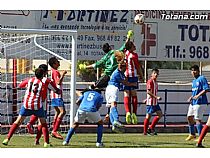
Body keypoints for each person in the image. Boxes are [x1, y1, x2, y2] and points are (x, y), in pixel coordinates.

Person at [2, 68, 51, 147]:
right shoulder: (43, 83)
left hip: (27, 105)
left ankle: (7, 139)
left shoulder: (29, 80)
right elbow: (44, 95)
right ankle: (46, 143)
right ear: (43, 75)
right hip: (37, 106)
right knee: (43, 123)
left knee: (17, 122)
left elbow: (20, 85)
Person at [26, 64, 60, 135]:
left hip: (31, 100)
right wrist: (58, 90)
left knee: (34, 116)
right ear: (46, 72)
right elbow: (55, 89)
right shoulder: (46, 80)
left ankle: (30, 123)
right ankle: (41, 140)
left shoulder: (32, 79)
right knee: (42, 122)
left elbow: (22, 84)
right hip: (42, 101)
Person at [105, 60, 137, 133]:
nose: (126, 69)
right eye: (125, 67)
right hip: (113, 88)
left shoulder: (120, 72)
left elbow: (124, 79)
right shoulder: (117, 73)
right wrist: (133, 84)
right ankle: (116, 120)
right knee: (114, 104)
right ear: (122, 67)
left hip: (108, 88)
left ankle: (113, 124)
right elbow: (125, 82)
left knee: (111, 107)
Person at [185, 65, 209, 141]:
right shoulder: (194, 81)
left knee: (198, 119)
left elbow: (206, 89)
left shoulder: (202, 78)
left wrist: (198, 96)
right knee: (189, 117)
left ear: (198, 71)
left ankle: (201, 137)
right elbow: (195, 92)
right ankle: (192, 134)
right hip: (194, 102)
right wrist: (191, 97)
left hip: (201, 102)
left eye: (195, 70)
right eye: (192, 70)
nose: (193, 72)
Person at [124, 41, 143, 124]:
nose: (135, 46)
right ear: (131, 47)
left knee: (126, 94)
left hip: (125, 76)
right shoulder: (134, 55)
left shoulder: (126, 53)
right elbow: (138, 67)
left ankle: (127, 112)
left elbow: (126, 45)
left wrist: (128, 37)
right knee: (134, 95)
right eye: (133, 45)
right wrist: (142, 76)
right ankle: (134, 114)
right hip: (133, 76)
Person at [49, 57, 67, 139]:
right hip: (57, 95)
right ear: (54, 64)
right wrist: (63, 74)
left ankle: (53, 130)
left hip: (53, 95)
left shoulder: (52, 71)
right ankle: (54, 131)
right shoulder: (55, 72)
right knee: (62, 112)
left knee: (57, 112)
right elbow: (58, 82)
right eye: (57, 61)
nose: (59, 62)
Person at [143, 68, 162, 135]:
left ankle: (151, 128)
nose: (156, 74)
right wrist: (156, 97)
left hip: (155, 102)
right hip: (150, 103)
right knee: (148, 117)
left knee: (160, 114)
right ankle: (145, 132)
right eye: (154, 73)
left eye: (157, 73)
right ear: (152, 74)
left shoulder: (156, 82)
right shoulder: (150, 81)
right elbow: (148, 91)